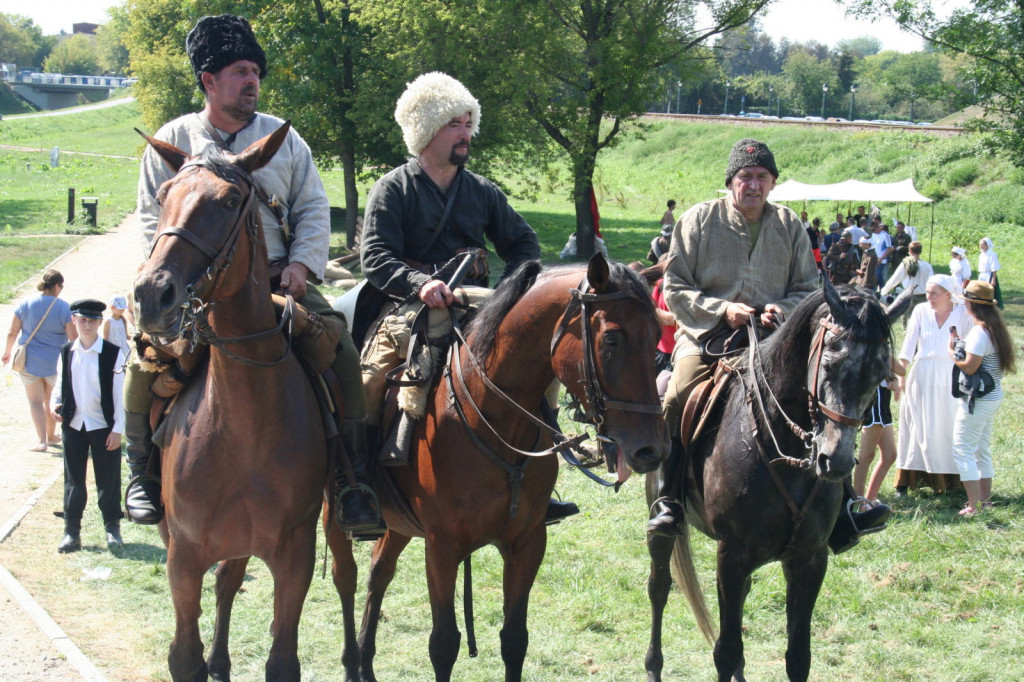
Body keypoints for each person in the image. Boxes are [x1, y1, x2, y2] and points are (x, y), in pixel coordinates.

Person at [129, 15, 376, 532]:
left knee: (343, 351)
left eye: (256, 72)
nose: (252, 82)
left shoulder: (284, 139)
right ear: (209, 81)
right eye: (240, 71)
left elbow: (312, 207)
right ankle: (143, 474)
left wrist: (304, 265)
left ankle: (353, 481)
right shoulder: (174, 138)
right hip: (196, 290)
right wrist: (179, 284)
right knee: (144, 361)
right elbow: (155, 222)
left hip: (280, 282)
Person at [648, 138, 889, 551]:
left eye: (762, 177)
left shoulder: (790, 225)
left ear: (773, 183)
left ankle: (845, 504)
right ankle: (669, 497)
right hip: (708, 336)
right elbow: (675, 288)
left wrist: (781, 309)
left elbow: (808, 288)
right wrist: (724, 310)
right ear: (730, 182)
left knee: (824, 396)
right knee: (677, 395)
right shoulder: (698, 220)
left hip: (776, 338)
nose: (753, 185)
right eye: (745, 177)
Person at [358, 71, 576, 524]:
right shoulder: (393, 188)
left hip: (477, 302)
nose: (466, 132)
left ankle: (541, 468)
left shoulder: (481, 191)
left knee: (539, 362)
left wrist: (509, 295)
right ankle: (360, 483)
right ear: (426, 131)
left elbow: (524, 246)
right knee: (368, 382)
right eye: (454, 123)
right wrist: (419, 284)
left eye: (467, 121)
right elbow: (374, 257)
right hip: (407, 307)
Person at [49, 299, 127, 553]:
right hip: (74, 424)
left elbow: (120, 396)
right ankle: (72, 532)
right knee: (74, 480)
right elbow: (61, 384)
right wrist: (55, 404)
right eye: (82, 320)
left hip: (103, 425)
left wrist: (118, 429)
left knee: (108, 478)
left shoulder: (113, 354)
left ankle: (112, 527)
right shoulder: (66, 351)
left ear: (99, 323)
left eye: (92, 320)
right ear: (74, 320)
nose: (87, 325)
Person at [893, 275, 972, 494]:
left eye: (934, 293)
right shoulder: (920, 311)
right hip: (922, 374)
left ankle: (951, 480)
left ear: (948, 294)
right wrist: (901, 378)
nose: (929, 297)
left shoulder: (962, 312)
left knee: (947, 426)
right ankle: (905, 481)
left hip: (951, 375)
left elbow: (974, 342)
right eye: (927, 292)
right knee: (916, 427)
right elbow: (908, 347)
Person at [948, 281, 1016, 516]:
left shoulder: (979, 332)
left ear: (971, 304)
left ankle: (973, 506)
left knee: (962, 449)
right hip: (992, 394)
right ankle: (985, 501)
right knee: (981, 449)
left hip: (979, 398)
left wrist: (951, 353)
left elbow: (969, 367)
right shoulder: (993, 329)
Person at [2, 270, 76, 452]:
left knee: (35, 401)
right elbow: (72, 337)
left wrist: (7, 352)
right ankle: (51, 436)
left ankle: (42, 440)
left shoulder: (25, 303)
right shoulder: (64, 308)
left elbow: (12, 332)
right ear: (57, 285)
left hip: (29, 360)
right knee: (50, 400)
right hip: (54, 361)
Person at [852, 357, 906, 505]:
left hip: (883, 397)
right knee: (866, 455)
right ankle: (858, 502)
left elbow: (894, 371)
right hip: (874, 399)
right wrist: (889, 359)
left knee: (889, 455)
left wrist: (892, 378)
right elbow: (902, 369)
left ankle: (869, 499)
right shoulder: (879, 346)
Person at [880, 241, 933, 325]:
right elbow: (931, 283)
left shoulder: (905, 264)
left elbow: (895, 279)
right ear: (920, 251)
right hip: (922, 297)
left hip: (908, 296)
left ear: (910, 251)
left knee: (908, 321)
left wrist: (883, 292)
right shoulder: (927, 266)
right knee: (921, 321)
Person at [977, 237, 1003, 309]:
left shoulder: (992, 254)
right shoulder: (982, 254)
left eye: (982, 244)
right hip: (982, 275)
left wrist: (993, 279)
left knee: (990, 292)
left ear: (987, 245)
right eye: (980, 244)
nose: (981, 246)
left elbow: (994, 268)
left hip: (989, 275)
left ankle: (991, 306)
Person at [869, 219, 893, 287]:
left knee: (876, 276)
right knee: (879, 277)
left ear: (877, 228)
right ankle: (883, 290)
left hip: (881, 259)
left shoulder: (885, 235)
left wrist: (881, 258)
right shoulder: (874, 234)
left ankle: (873, 291)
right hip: (874, 257)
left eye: (873, 230)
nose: (872, 232)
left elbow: (889, 248)